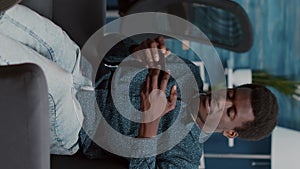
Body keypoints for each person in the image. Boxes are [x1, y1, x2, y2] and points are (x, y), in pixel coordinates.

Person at [0, 1, 279, 168]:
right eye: (230, 94)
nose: (220, 100)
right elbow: (110, 56)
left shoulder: (186, 157)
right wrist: (137, 52)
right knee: (15, 18)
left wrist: (151, 123)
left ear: (231, 133)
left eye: (229, 111)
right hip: (79, 65)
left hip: (77, 124)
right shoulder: (189, 73)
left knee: (55, 82)